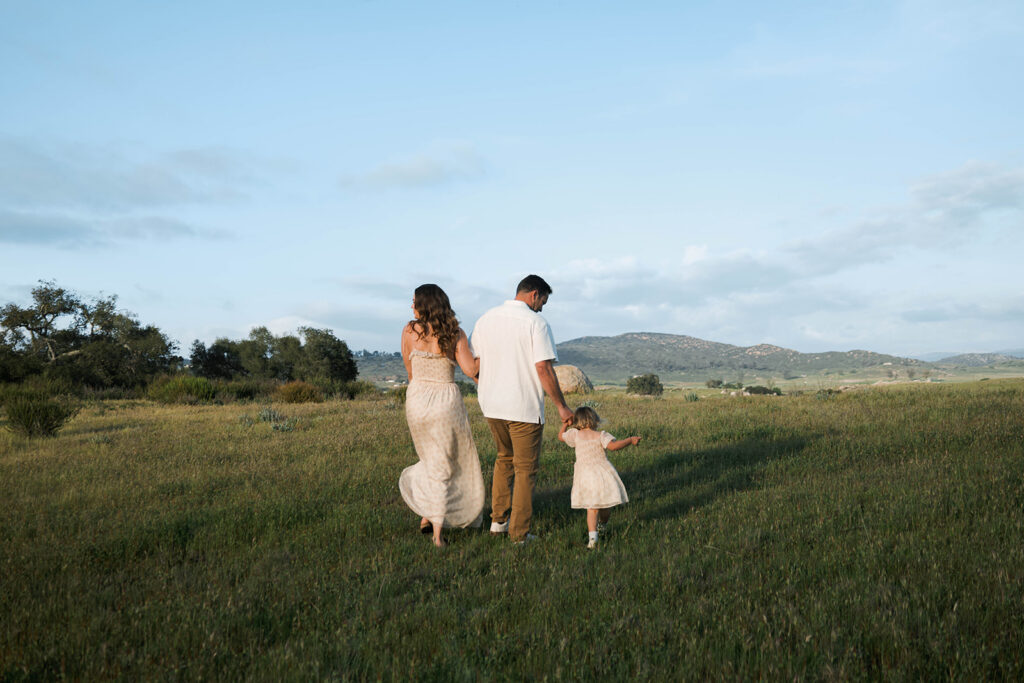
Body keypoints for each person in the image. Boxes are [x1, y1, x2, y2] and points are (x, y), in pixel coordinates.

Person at [470, 274, 573, 544]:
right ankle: (519, 534)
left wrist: (486, 387)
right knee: (526, 469)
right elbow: (543, 368)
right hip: (523, 407)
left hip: (492, 406)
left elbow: (475, 365)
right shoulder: (535, 322)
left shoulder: (485, 320)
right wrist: (562, 407)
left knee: (504, 459)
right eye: (543, 301)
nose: (542, 307)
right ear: (534, 294)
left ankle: (498, 522)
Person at [399, 284, 485, 547]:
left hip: (417, 398)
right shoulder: (453, 332)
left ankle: (427, 514)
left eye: (414, 301)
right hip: (445, 401)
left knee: (430, 459)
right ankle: (437, 534)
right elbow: (471, 369)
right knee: (445, 464)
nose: (411, 305)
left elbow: (409, 368)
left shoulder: (409, 330)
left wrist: (420, 388)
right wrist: (490, 352)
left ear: (425, 304)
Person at [558, 406, 641, 548]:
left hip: (589, 476)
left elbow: (560, 436)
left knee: (598, 506)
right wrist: (630, 440)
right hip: (599, 474)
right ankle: (594, 538)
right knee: (597, 506)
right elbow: (614, 446)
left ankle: (600, 529)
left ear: (577, 421)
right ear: (594, 419)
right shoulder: (600, 434)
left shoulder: (575, 434)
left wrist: (565, 423)